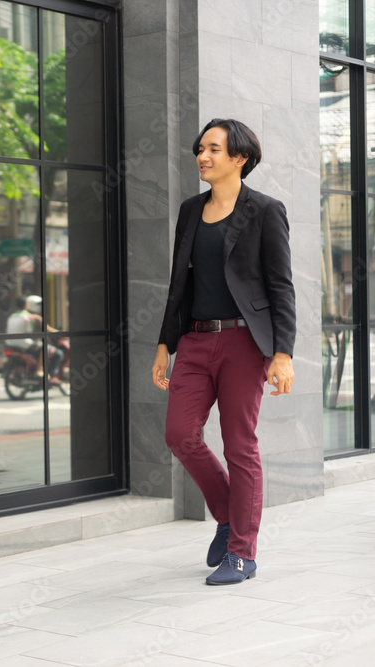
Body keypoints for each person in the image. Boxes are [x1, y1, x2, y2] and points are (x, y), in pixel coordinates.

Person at [152, 119, 295, 585]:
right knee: (180, 435)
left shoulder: (266, 211)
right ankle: (228, 514)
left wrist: (283, 353)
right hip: (194, 340)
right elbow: (179, 284)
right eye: (200, 148)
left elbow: (281, 287)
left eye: (213, 148)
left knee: (239, 445)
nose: (202, 156)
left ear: (240, 158)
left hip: (242, 342)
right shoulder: (191, 210)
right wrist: (164, 344)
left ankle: (242, 553)